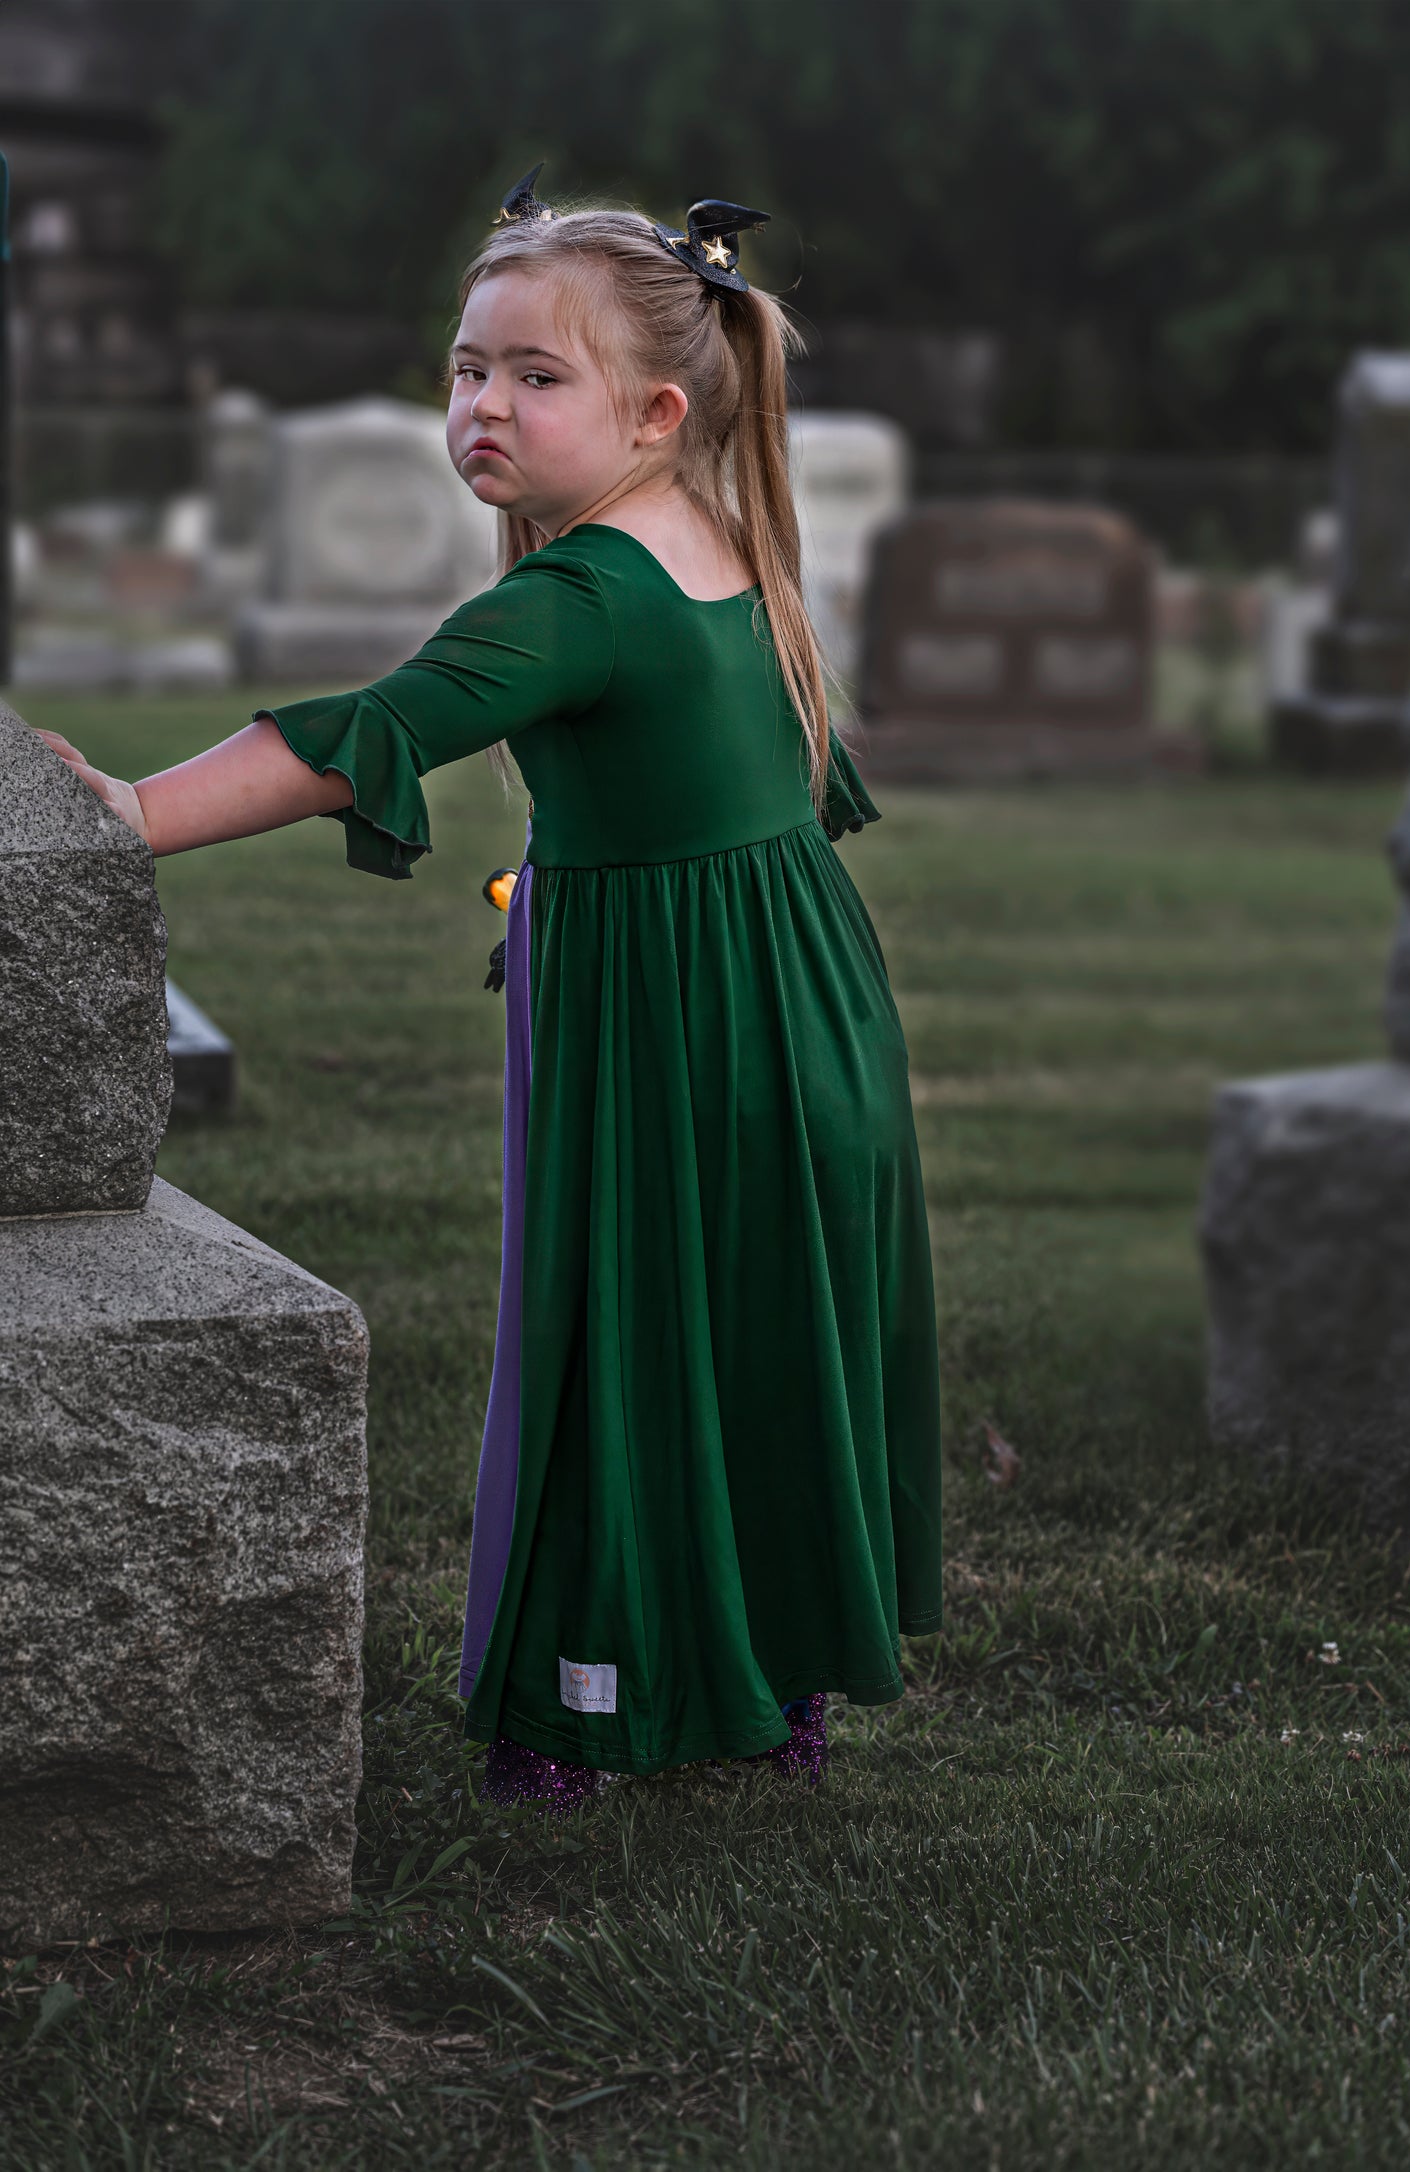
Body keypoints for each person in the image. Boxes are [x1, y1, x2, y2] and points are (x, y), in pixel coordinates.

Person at [43, 166, 943, 1812]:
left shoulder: (572, 595)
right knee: (761, 1333)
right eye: (468, 369)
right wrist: (581, 873)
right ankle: (778, 1678)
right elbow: (771, 789)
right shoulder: (725, 542)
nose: (483, 407)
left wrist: (128, 815)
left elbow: (365, 733)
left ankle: (585, 1705)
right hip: (806, 998)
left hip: (671, 1019)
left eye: (537, 377)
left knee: (619, 1336)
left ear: (657, 410)